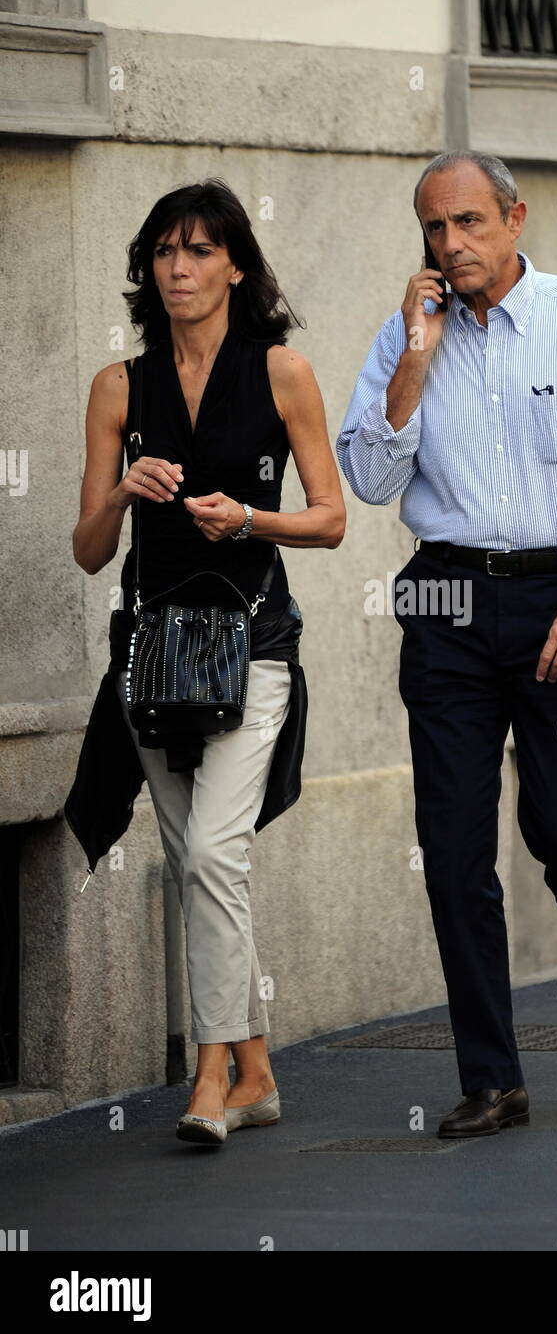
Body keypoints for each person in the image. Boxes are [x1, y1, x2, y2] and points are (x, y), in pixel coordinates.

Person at [337, 151, 557, 1139]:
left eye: (470, 223)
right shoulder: (406, 335)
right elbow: (368, 477)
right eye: (434, 228)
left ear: (515, 219)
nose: (451, 245)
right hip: (444, 597)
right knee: (451, 849)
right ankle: (492, 1077)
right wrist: (415, 360)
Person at [66, 178, 346, 1145]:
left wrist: (247, 519)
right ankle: (259, 1069)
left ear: (235, 265)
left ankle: (209, 1077)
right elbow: (89, 548)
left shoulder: (282, 373)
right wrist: (123, 494)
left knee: (216, 854)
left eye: (198, 251)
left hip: (253, 643)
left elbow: (332, 519)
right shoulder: (119, 386)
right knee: (197, 863)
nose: (179, 268)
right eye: (163, 253)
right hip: (153, 655)